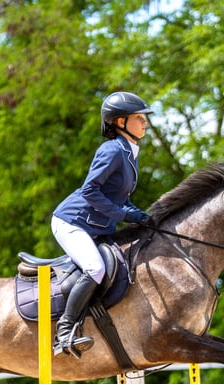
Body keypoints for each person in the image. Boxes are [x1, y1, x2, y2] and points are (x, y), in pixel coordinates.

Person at [50, 91, 154, 357]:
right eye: (139, 117)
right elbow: (90, 191)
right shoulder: (111, 150)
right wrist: (123, 216)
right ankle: (64, 331)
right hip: (72, 221)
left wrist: (139, 214)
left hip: (96, 225)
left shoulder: (129, 153)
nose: (145, 122)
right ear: (120, 122)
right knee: (95, 268)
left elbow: (118, 197)